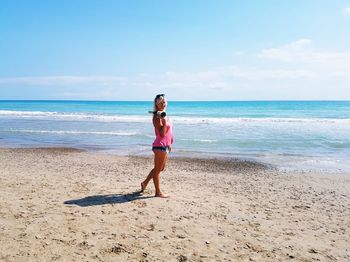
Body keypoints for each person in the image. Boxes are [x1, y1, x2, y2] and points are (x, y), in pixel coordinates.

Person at [140, 94, 174, 198]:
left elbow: (169, 132)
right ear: (157, 104)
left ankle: (145, 183)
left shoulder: (164, 115)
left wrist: (169, 144)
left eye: (164, 102)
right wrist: (163, 121)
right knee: (158, 169)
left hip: (165, 145)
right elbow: (162, 134)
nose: (163, 104)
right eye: (161, 103)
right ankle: (157, 192)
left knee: (160, 168)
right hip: (159, 146)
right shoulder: (156, 117)